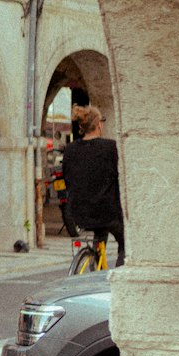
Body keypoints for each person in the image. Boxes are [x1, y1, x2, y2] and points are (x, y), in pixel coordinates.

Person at [61, 104, 124, 266]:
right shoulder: (110, 148)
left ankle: (94, 262)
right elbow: (119, 176)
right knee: (126, 243)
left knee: (100, 233)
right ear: (98, 124)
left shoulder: (70, 149)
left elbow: (67, 179)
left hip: (79, 212)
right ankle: (117, 278)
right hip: (107, 211)